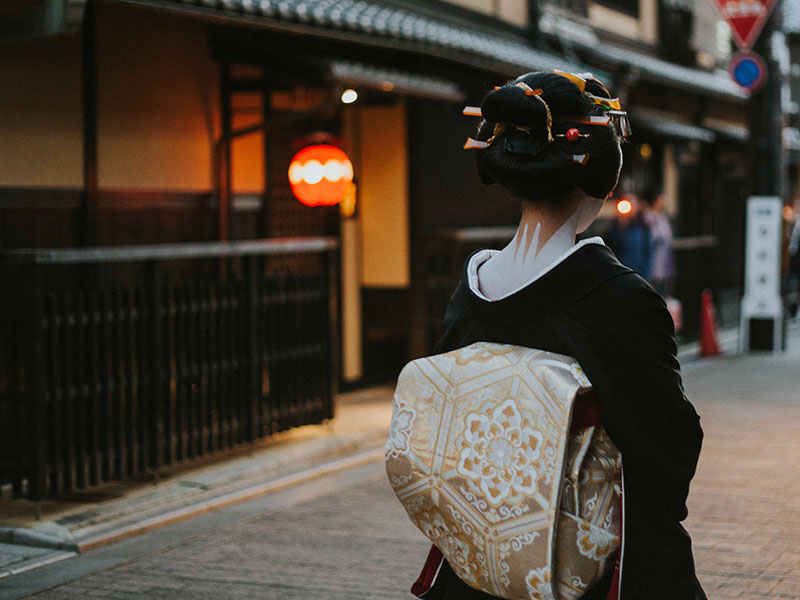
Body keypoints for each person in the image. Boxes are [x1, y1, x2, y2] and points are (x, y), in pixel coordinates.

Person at [413, 71, 705, 600]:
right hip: (588, 558)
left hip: (487, 551)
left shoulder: (472, 286)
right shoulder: (620, 299)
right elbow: (666, 447)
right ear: (603, 177)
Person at [605, 195, 654, 280]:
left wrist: (646, 277)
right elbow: (612, 247)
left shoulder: (643, 228)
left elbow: (648, 253)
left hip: (638, 275)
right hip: (619, 274)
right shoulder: (615, 228)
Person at [641, 188, 675, 297]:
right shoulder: (646, 218)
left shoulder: (663, 218)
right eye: (661, 197)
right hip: (650, 268)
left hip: (664, 268)